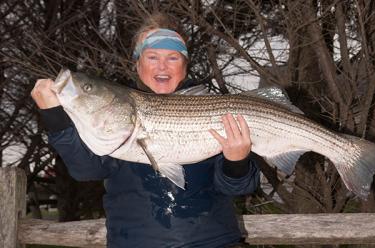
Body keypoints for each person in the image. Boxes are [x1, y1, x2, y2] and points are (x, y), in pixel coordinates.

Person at [31, 13, 260, 248]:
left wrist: (237, 162)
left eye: (173, 57)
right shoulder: (112, 114)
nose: (162, 66)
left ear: (185, 65)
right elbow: (86, 169)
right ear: (137, 63)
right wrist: (55, 117)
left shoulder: (217, 111)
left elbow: (240, 187)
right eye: (152, 56)